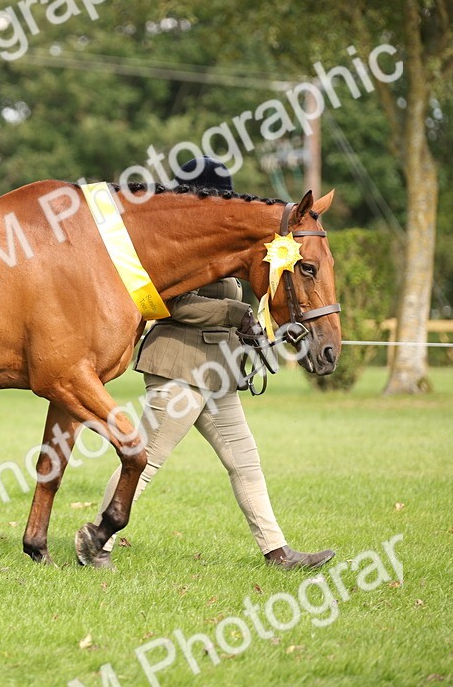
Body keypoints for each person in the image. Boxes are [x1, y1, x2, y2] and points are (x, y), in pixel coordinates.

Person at [90, 158, 334, 571]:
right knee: (145, 461)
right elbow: (169, 304)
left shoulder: (225, 240)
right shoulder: (176, 243)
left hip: (218, 367)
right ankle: (96, 541)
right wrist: (233, 314)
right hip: (180, 365)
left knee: (245, 460)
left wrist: (259, 323)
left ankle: (277, 552)